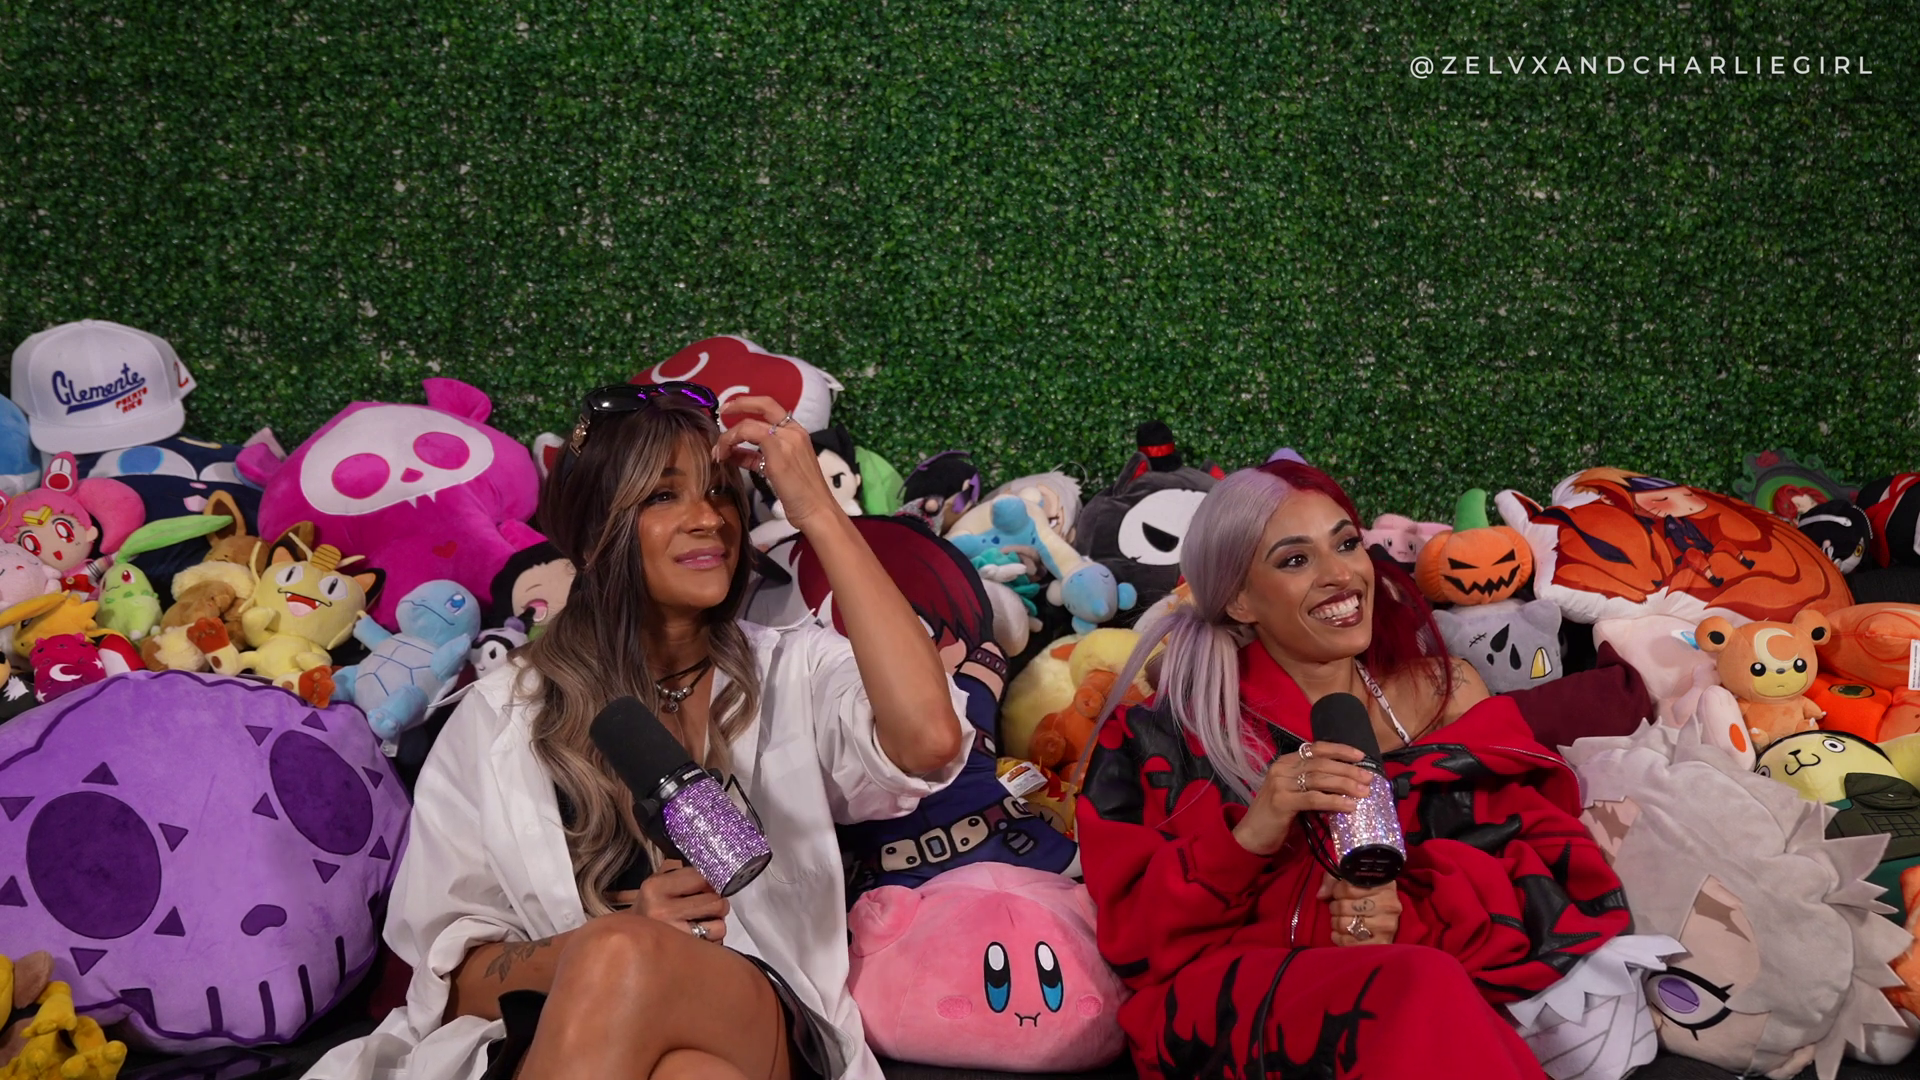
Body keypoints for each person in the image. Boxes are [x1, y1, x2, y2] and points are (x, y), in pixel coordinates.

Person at [307, 382, 970, 1080]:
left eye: (720, 492)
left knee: (620, 956)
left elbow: (928, 740)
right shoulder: (501, 714)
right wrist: (611, 942)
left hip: (764, 1019)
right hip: (584, 1035)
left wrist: (819, 513)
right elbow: (453, 986)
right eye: (662, 496)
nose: (707, 519)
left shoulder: (795, 669)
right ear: (596, 532)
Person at [1075, 461, 1630, 1080]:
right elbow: (1136, 940)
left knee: (1420, 986)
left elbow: (1547, 855)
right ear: (1239, 599)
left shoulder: (1446, 691)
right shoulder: (1162, 735)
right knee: (1416, 986)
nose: (1341, 575)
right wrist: (1253, 833)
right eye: (1295, 560)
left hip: (1421, 975)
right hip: (1230, 1006)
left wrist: (1403, 905)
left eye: (1345, 544)